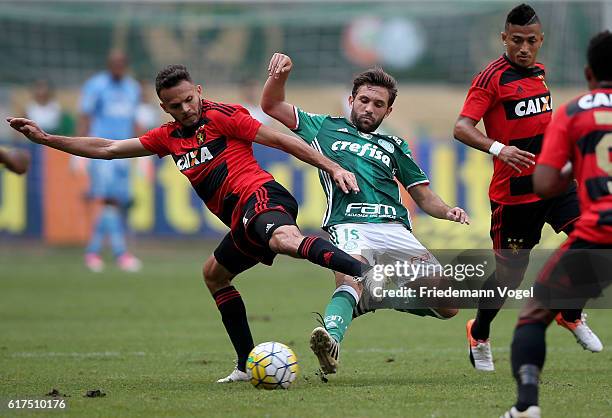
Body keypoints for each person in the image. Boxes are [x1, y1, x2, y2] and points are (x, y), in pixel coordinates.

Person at [6, 63, 372, 384]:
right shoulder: (167, 137)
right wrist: (47, 139)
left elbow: (281, 140)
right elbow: (108, 148)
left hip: (261, 197)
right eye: (175, 105)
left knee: (285, 240)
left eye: (188, 100)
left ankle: (364, 271)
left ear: (198, 92)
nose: (185, 109)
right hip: (241, 220)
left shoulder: (223, 115)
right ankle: (245, 364)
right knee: (214, 275)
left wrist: (334, 167)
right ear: (163, 107)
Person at [262, 53, 469, 374]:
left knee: (449, 306)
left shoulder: (394, 144)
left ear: (388, 110)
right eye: (364, 100)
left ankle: (374, 297)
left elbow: (424, 196)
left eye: (377, 104)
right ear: (351, 100)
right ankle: (330, 340)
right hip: (348, 225)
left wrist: (447, 210)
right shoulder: (323, 128)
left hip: (395, 229)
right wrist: (279, 76)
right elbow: (273, 106)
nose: (369, 108)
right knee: (350, 278)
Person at [453, 3, 602, 371]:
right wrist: (499, 148)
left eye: (530, 41)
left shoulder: (539, 73)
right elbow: (461, 127)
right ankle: (480, 332)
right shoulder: (491, 78)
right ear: (504, 38)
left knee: (598, 240)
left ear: (541, 41)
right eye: (516, 40)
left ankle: (570, 311)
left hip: (554, 182)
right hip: (515, 195)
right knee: (508, 277)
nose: (523, 47)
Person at [501, 30, 612, 418]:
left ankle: (527, 405)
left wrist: (571, 166)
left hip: (601, 235)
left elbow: (546, 184)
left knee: (534, 312)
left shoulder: (573, 111)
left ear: (588, 73)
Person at [79, 50, 142, 273]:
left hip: (124, 150)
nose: (118, 66)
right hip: (101, 151)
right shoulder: (95, 86)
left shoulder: (132, 88)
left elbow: (135, 120)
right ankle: (119, 253)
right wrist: (79, 152)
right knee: (109, 201)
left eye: (121, 63)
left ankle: (93, 252)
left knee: (118, 203)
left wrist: (142, 150)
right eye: (114, 63)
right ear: (108, 64)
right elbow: (85, 117)